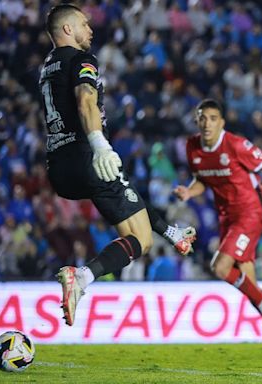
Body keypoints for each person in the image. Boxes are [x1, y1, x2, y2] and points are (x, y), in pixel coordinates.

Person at [40, 4, 196, 326]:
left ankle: (170, 231)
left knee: (123, 189)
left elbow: (129, 195)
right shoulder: (81, 60)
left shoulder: (48, 66)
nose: (91, 29)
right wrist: (99, 144)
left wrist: (171, 231)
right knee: (141, 240)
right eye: (85, 24)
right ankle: (81, 277)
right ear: (68, 29)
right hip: (86, 154)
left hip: (59, 166)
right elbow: (85, 100)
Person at [174, 99, 262, 348]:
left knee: (220, 267)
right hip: (226, 216)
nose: (207, 123)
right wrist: (189, 192)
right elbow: (202, 178)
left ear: (222, 123)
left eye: (212, 118)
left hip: (250, 212)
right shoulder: (192, 147)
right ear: (196, 121)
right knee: (246, 277)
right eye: (202, 118)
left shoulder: (236, 145)